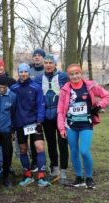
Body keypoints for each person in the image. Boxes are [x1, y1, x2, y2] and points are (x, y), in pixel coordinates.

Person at [57, 64, 109, 189]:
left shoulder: (90, 85)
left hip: (86, 124)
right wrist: (61, 128)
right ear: (69, 76)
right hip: (71, 125)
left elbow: (106, 95)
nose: (74, 76)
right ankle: (79, 177)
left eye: (77, 73)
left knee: (84, 151)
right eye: (71, 74)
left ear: (81, 73)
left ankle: (89, 178)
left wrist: (99, 106)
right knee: (74, 152)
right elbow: (60, 111)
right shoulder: (65, 89)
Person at [10, 63, 49, 187]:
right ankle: (27, 175)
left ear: (28, 72)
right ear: (18, 73)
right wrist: (12, 125)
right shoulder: (13, 88)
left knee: (40, 147)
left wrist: (39, 121)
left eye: (25, 71)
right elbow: (11, 107)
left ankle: (41, 176)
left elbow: (41, 104)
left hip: (34, 123)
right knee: (23, 149)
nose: (23, 74)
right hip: (20, 124)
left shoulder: (36, 87)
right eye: (21, 72)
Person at [34, 54, 69, 184]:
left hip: (60, 115)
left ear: (55, 64)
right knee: (51, 143)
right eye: (46, 62)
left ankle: (64, 171)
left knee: (62, 143)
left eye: (51, 63)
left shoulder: (63, 76)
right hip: (46, 117)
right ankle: (54, 170)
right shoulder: (38, 78)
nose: (48, 65)